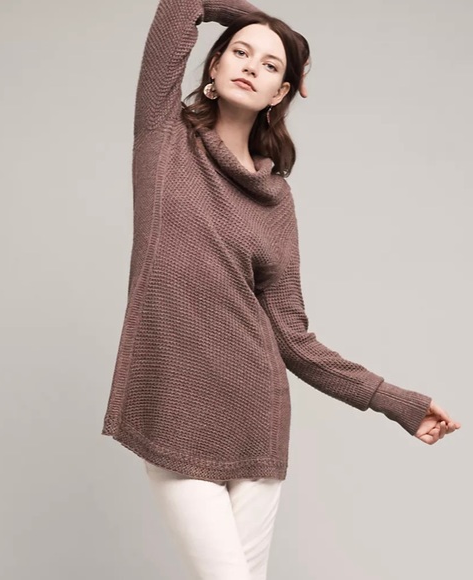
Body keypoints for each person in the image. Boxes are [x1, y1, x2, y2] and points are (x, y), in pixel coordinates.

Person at [101, 1, 462, 578]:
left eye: (271, 65)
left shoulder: (276, 199)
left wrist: (396, 401)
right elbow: (181, 5)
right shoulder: (163, 138)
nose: (251, 65)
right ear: (213, 66)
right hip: (174, 403)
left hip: (256, 416)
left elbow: (292, 337)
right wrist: (277, 32)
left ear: (281, 93)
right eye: (240, 52)